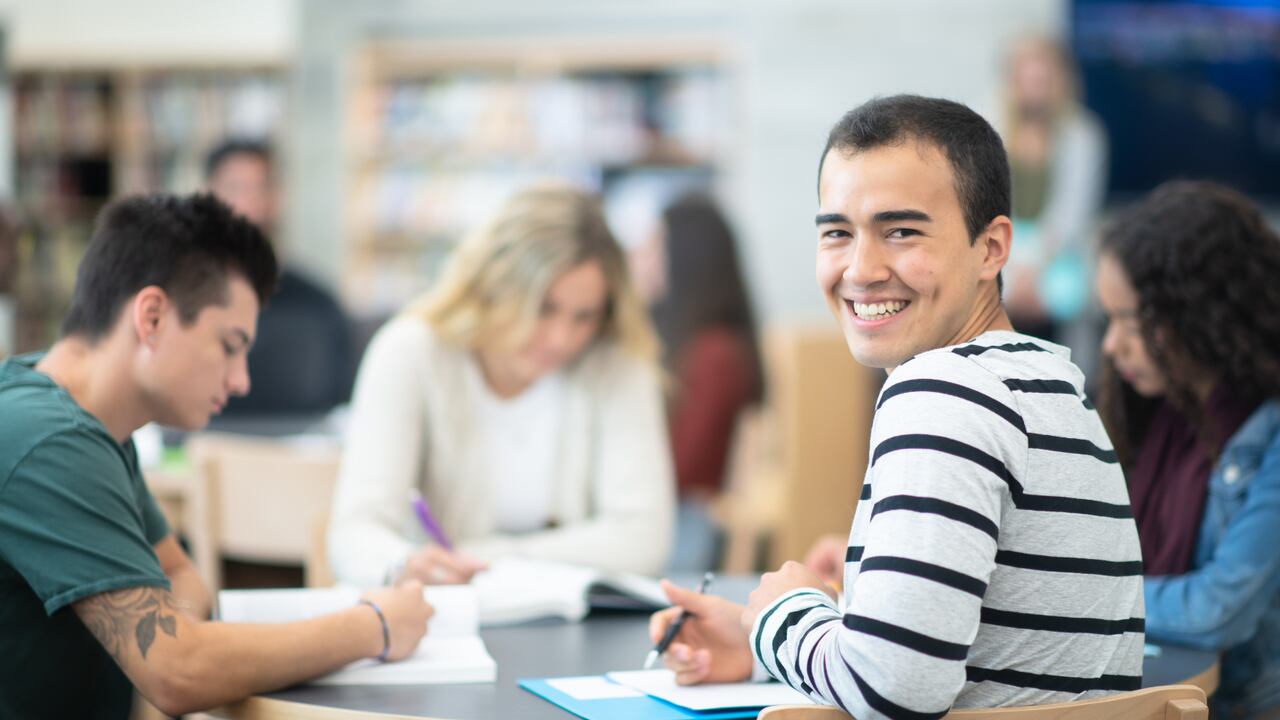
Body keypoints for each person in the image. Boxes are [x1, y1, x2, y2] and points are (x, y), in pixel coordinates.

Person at [650, 95, 1143, 717]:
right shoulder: (1052, 382)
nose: (861, 269)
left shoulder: (941, 391)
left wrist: (782, 610)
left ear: (991, 248)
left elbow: (894, 690)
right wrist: (762, 641)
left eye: (901, 231)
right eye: (837, 233)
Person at [0, 194, 432, 719]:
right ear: (153, 316)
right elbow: (178, 670)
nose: (240, 379)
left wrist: (169, 643)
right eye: (229, 345)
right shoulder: (48, 438)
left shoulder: (92, 422)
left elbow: (183, 577)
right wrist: (374, 626)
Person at [327, 182, 674, 588]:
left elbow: (644, 540)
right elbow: (354, 533)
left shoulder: (616, 365)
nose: (561, 338)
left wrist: (488, 558)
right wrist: (403, 565)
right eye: (544, 309)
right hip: (436, 617)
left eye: (584, 317)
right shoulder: (410, 351)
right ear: (493, 287)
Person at [1095, 181, 1280, 718]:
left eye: (1129, 321)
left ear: (1198, 313)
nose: (1111, 345)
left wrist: (1085, 594)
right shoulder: (1151, 410)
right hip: (1148, 690)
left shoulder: (1268, 435)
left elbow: (1219, 608)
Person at [633, 192, 764, 572]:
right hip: (674, 518)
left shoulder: (713, 353)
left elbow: (682, 469)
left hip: (685, 525)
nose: (642, 259)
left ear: (684, 255)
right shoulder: (691, 342)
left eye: (655, 246)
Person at [204, 139, 354, 417]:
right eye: (236, 188)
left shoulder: (317, 304)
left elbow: (341, 404)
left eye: (262, 187)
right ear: (209, 195)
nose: (250, 203)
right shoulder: (187, 303)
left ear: (278, 196)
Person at [999, 36, 1108, 355]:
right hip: (1004, 254)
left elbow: (1071, 215)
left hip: (1059, 260)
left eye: (1043, 80)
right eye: (1026, 78)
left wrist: (1032, 273)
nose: (1035, 88)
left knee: (1060, 332)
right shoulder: (988, 127)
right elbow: (985, 207)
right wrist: (1015, 270)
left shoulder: (1084, 134)